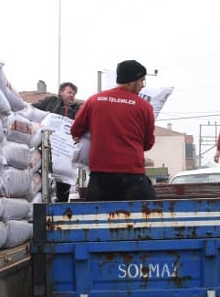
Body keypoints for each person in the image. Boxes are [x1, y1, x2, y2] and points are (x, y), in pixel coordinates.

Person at [70, 60, 156, 202]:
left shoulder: (94, 101)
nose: (142, 85)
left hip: (101, 177)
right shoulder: (144, 106)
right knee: (145, 215)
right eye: (141, 80)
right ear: (131, 80)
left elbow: (76, 130)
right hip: (133, 175)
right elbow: (147, 144)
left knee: (96, 218)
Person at [32, 81, 81, 202]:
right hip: (46, 144)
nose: (71, 95)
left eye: (73, 94)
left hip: (64, 152)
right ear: (61, 93)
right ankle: (40, 201)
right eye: (69, 92)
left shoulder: (77, 109)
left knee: (63, 179)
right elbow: (33, 109)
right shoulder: (51, 102)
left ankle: (61, 203)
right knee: (41, 174)